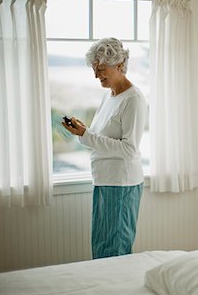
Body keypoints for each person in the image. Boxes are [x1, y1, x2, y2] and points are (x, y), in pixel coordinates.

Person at [62, 37, 148, 259]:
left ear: (119, 65)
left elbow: (129, 149)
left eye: (101, 69)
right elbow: (100, 138)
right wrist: (84, 132)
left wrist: (86, 135)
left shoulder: (134, 99)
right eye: (94, 69)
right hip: (104, 181)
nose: (96, 75)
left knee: (115, 251)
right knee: (101, 249)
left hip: (121, 184)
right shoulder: (108, 96)